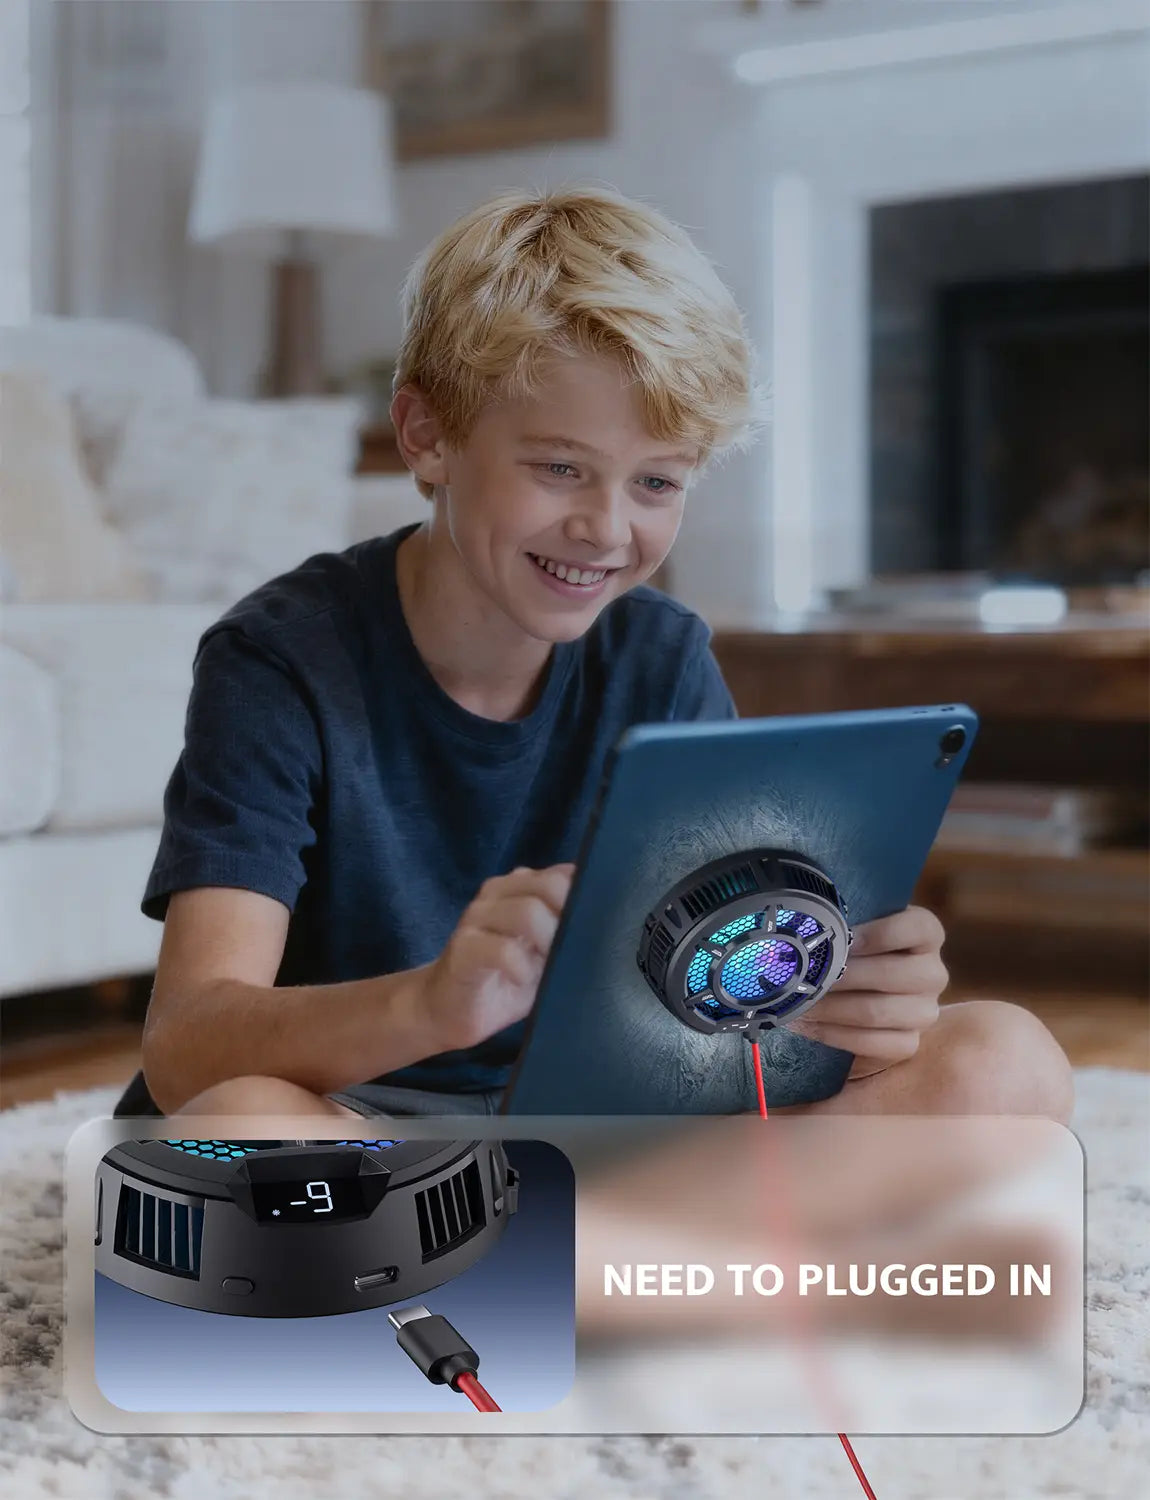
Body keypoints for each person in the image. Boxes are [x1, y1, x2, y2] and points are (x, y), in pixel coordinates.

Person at [112, 187, 1072, 1128]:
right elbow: (188, 1042)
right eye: (559, 467)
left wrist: (840, 993)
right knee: (247, 1127)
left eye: (656, 481)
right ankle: (606, 1252)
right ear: (427, 434)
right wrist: (434, 1004)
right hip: (360, 1115)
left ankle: (524, 1256)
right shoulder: (279, 661)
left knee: (1005, 1064)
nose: (605, 528)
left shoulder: (661, 655)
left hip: (601, 1121)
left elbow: (707, 1008)